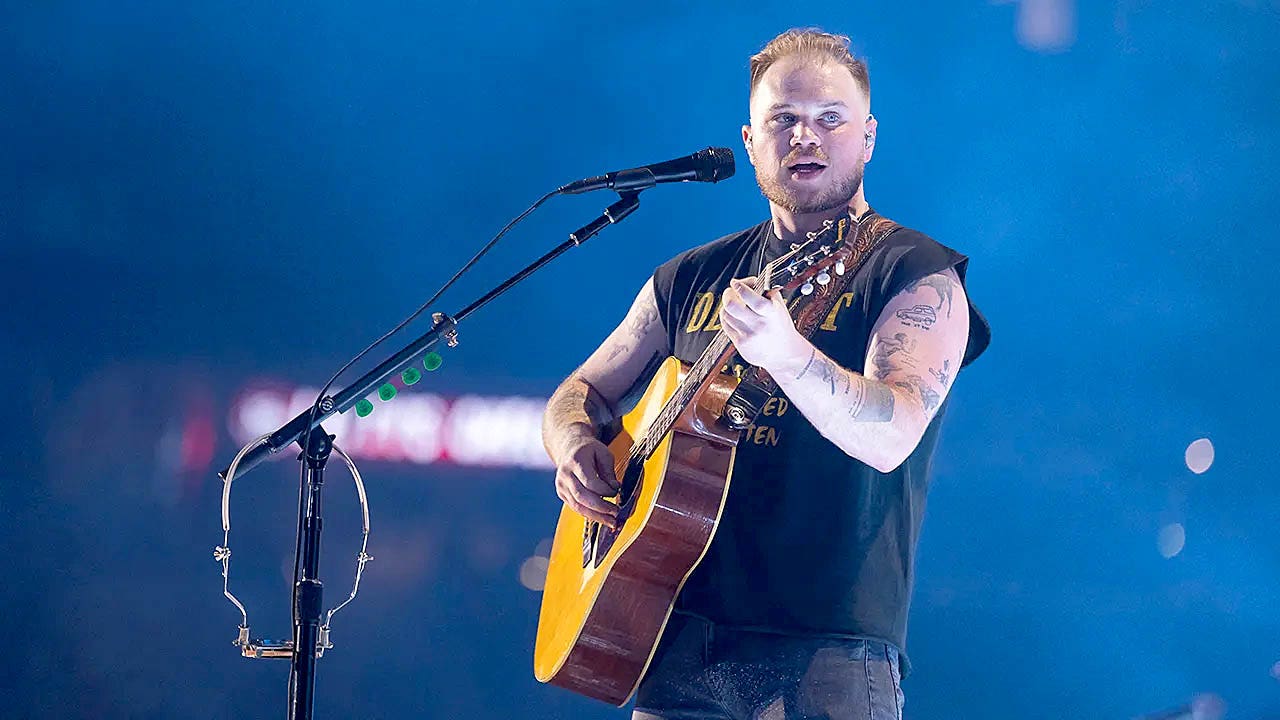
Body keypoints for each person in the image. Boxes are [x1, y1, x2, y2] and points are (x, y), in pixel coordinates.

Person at [541, 28, 991, 720]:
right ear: (750, 142)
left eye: (830, 118)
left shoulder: (914, 273)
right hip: (673, 641)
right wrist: (573, 443)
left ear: (869, 137)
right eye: (783, 119)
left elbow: (892, 434)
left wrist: (788, 354)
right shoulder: (689, 277)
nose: (805, 137)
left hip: (826, 654)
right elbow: (579, 392)